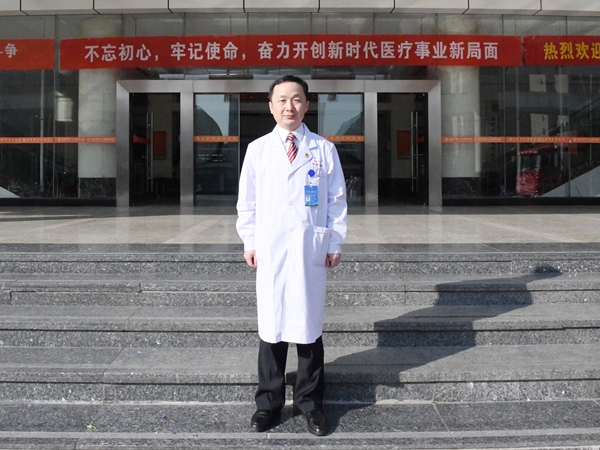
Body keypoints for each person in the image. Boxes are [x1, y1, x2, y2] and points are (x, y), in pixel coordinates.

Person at [236, 75, 347, 436]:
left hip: (308, 248)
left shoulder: (323, 149)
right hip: (270, 249)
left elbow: (336, 201)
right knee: (272, 328)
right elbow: (247, 202)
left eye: (296, 99)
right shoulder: (258, 150)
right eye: (282, 100)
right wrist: (250, 240)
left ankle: (310, 404)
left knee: (309, 328)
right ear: (270, 106)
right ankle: (268, 404)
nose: (289, 106)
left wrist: (333, 242)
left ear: (307, 105)